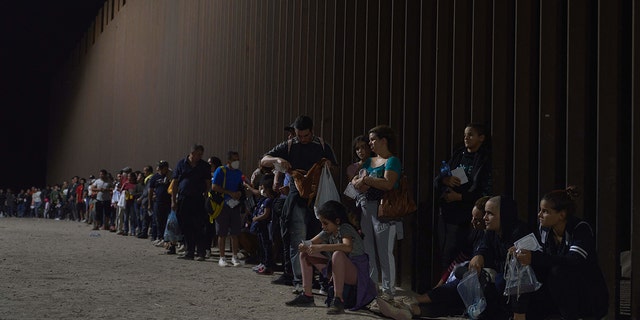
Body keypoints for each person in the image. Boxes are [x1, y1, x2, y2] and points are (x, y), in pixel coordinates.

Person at [377, 196, 490, 320]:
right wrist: (441, 283)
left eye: (478, 219)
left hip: (482, 286)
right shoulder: (475, 234)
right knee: (450, 296)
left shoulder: (492, 238)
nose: (473, 222)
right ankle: (411, 310)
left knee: (458, 285)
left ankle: (414, 302)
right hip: (468, 286)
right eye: (472, 217)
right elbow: (458, 261)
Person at [260, 115, 338, 293]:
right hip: (297, 198)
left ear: (312, 131)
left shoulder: (323, 145)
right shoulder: (289, 145)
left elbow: (334, 166)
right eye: (299, 135)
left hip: (319, 198)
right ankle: (300, 281)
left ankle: (324, 281)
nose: (302, 139)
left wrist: (327, 164)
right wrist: (276, 160)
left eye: (305, 136)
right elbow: (264, 159)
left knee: (319, 239)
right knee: (298, 239)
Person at [511, 187, 608, 320]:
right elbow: (541, 257)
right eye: (540, 210)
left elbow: (574, 260)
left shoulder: (580, 228)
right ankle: (520, 316)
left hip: (587, 293)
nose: (539, 215)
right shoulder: (545, 229)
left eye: (545, 211)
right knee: (524, 268)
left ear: (561, 215)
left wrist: (534, 257)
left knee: (558, 271)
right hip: (557, 292)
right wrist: (522, 252)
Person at [285, 200, 377, 314]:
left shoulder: (345, 228)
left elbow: (347, 247)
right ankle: (307, 295)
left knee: (338, 254)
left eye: (325, 223)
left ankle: (338, 299)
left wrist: (321, 247)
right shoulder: (328, 231)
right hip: (337, 268)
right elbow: (311, 243)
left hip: (356, 272)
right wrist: (304, 245)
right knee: (306, 253)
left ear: (337, 221)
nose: (323, 226)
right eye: (321, 223)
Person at [350, 125, 402, 300]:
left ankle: (388, 289)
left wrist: (365, 180)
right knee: (368, 250)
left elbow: (388, 183)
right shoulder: (370, 161)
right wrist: (361, 180)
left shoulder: (392, 160)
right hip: (366, 208)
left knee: (384, 251)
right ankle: (372, 286)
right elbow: (356, 180)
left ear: (383, 141)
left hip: (383, 210)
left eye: (373, 140)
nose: (370, 143)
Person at [435, 123, 492, 270]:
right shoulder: (458, 154)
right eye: (465, 134)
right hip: (448, 212)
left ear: (481, 138)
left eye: (471, 134)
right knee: (444, 251)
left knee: (459, 251)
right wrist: (445, 180)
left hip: (467, 214)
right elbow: (439, 178)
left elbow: (483, 190)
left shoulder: (483, 159)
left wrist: (460, 197)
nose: (466, 137)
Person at [468, 195, 530, 320]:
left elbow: (518, 268)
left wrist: (492, 265)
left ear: (504, 214)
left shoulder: (520, 232)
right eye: (485, 213)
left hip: (521, 285)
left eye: (489, 213)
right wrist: (478, 255)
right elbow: (484, 247)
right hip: (500, 275)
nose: (485, 218)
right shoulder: (491, 231)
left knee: (501, 279)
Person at [170, 144, 212, 261]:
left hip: (198, 199)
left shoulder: (204, 166)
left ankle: (201, 252)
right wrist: (173, 200)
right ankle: (189, 251)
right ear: (192, 153)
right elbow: (175, 183)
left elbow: (208, 183)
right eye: (198, 154)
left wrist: (207, 197)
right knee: (186, 225)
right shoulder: (181, 164)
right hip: (184, 198)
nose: (199, 157)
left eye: (201, 155)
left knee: (199, 225)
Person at [212, 151, 244, 267]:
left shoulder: (239, 173)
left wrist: (240, 193)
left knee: (235, 232)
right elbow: (214, 186)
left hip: (235, 205)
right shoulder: (221, 171)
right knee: (222, 232)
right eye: (235, 160)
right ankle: (222, 257)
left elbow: (241, 186)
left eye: (238, 159)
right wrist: (229, 193)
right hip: (223, 205)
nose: (237, 162)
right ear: (228, 161)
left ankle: (234, 256)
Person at [250, 174, 276, 275]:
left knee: (266, 246)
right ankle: (262, 262)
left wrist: (256, 218)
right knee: (261, 245)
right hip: (260, 227)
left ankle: (267, 264)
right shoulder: (263, 200)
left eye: (264, 188)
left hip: (265, 226)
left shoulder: (268, 201)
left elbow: (266, 214)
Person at [149, 160, 173, 253]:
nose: (159, 169)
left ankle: (168, 239)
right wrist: (150, 203)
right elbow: (150, 190)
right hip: (158, 202)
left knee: (169, 221)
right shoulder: (155, 177)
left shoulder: (170, 176)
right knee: (159, 220)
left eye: (161, 167)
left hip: (168, 202)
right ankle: (160, 237)